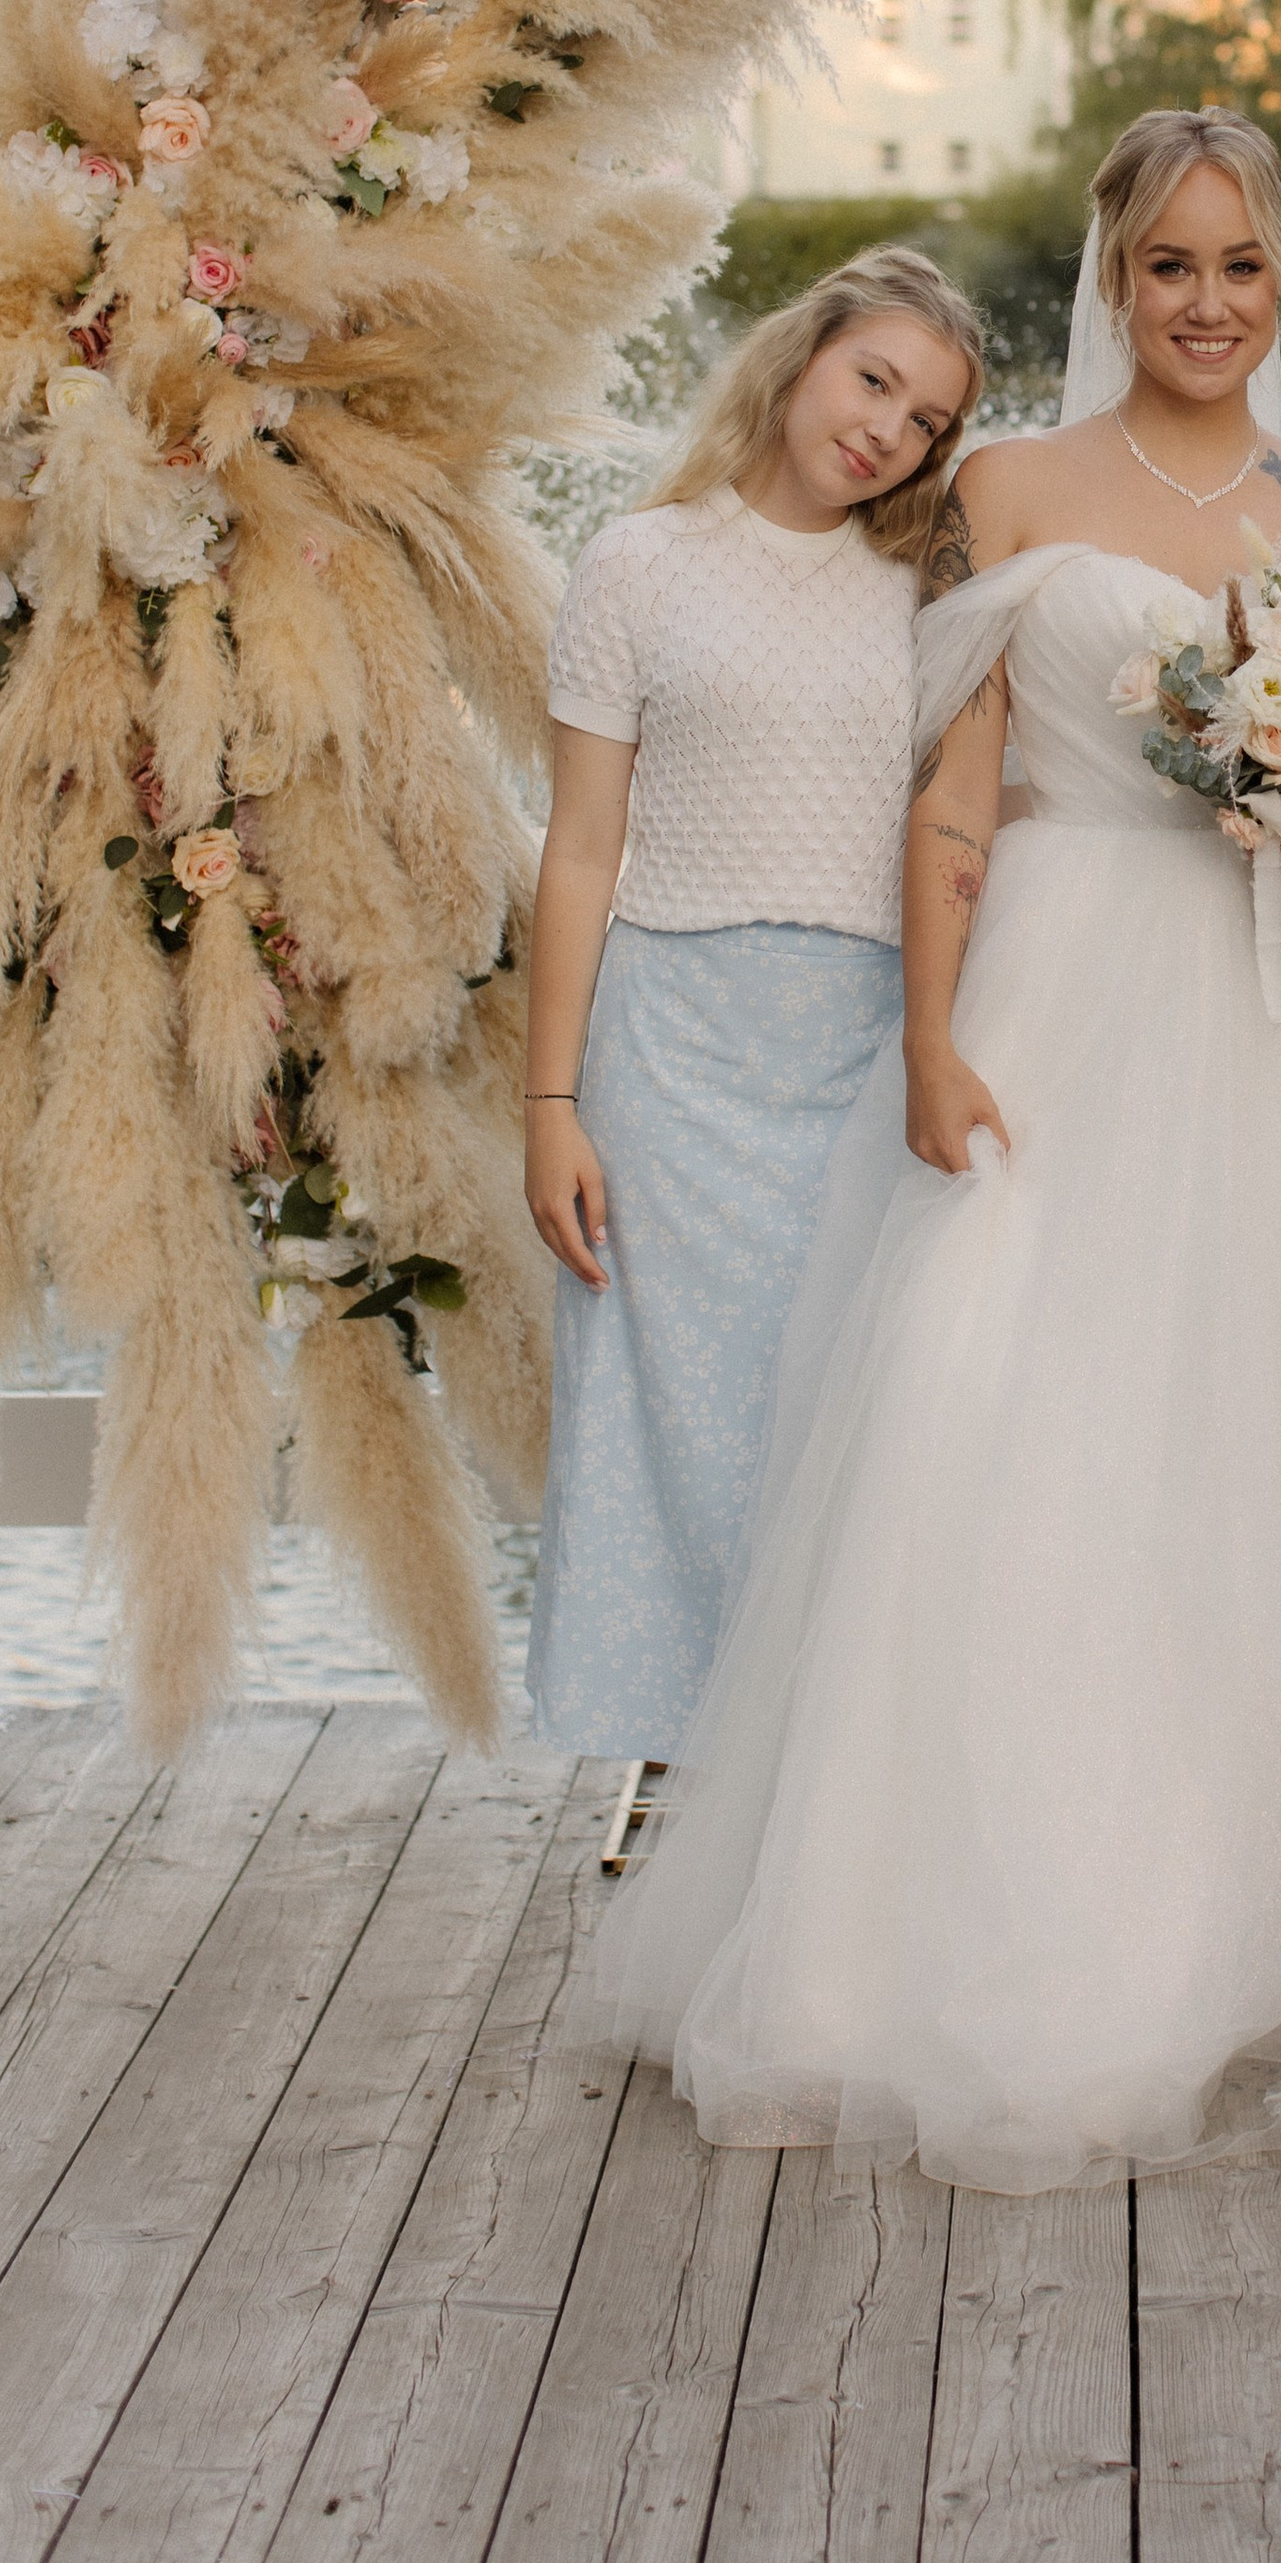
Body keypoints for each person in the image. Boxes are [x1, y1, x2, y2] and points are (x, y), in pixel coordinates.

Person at [598, 107, 1281, 2193]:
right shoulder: (1003, 486)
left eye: (1238, 265)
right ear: (1111, 275)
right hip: (1060, 1001)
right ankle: (926, 1921)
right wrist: (921, 1032)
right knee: (1010, 1417)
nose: (1203, 300)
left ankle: (1247, 1892)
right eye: (1166, 264)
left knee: (1274, 1435)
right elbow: (956, 794)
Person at [521, 247, 983, 1760]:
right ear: (802, 354)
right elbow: (581, 852)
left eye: (925, 421)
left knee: (852, 1429)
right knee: (688, 1443)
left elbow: (972, 824)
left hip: (861, 1050)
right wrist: (552, 1107)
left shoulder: (930, 589)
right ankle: (692, 1772)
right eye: (875, 381)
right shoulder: (640, 563)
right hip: (672, 1052)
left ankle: (831, 1793)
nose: (887, 432)